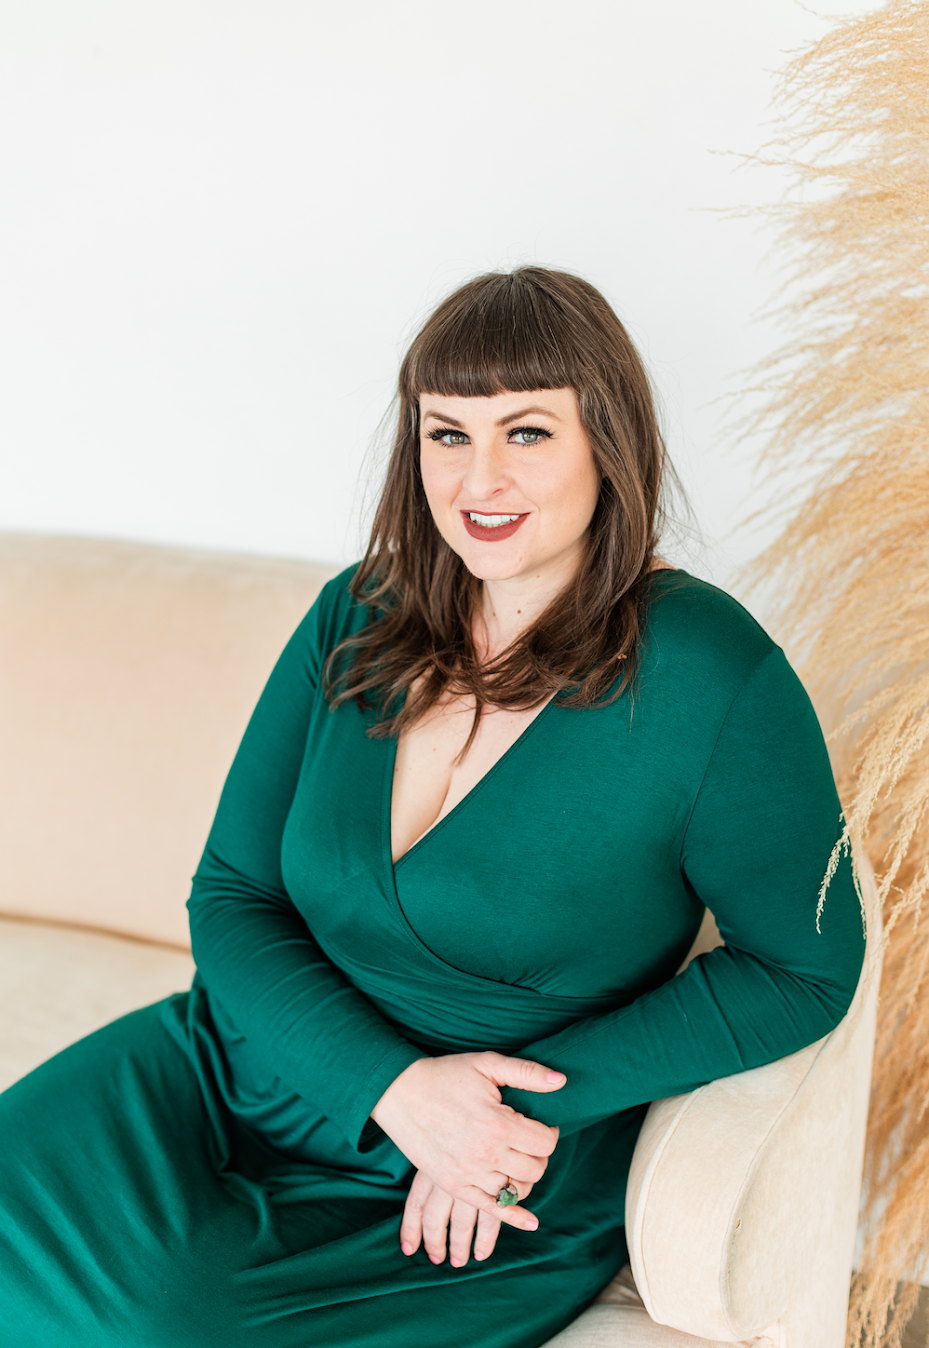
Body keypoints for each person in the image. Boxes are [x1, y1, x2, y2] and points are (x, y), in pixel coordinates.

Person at [0, 266, 865, 1348]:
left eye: (528, 432)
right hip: (236, 1065)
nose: (479, 477)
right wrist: (391, 1084)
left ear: (610, 443)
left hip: (479, 1166)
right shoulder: (356, 613)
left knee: (155, 1328)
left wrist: (509, 1117)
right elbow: (232, 893)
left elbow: (801, 965)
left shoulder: (709, 674)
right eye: (446, 433)